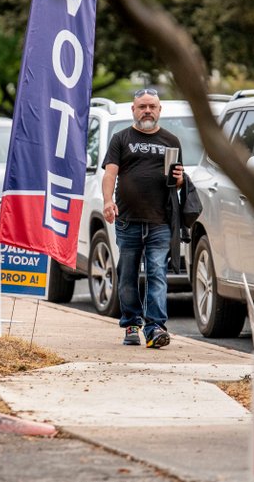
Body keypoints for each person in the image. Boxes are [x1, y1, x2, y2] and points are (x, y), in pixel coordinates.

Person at [101, 88, 184, 348]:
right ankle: (131, 324)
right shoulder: (121, 138)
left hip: (160, 220)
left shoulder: (171, 141)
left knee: (157, 272)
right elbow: (110, 174)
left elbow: (176, 181)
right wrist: (107, 201)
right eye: (142, 106)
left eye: (152, 106)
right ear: (133, 110)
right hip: (127, 220)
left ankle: (155, 327)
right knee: (127, 274)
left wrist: (180, 181)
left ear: (160, 110)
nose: (147, 111)